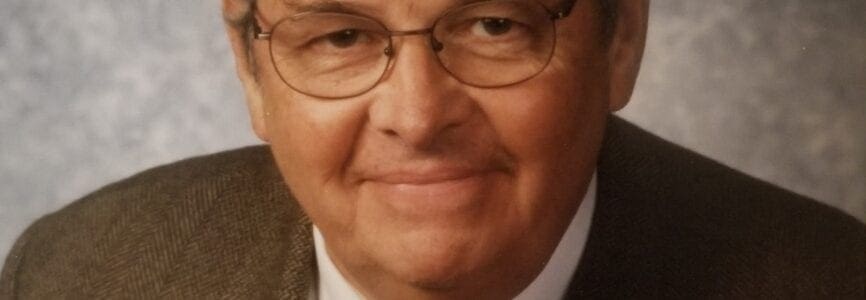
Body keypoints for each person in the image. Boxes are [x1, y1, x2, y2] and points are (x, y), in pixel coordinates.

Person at [2, 0, 864, 298]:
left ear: (621, 42)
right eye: (338, 35)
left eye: (495, 24)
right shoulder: (75, 276)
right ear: (252, 72)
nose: (416, 117)